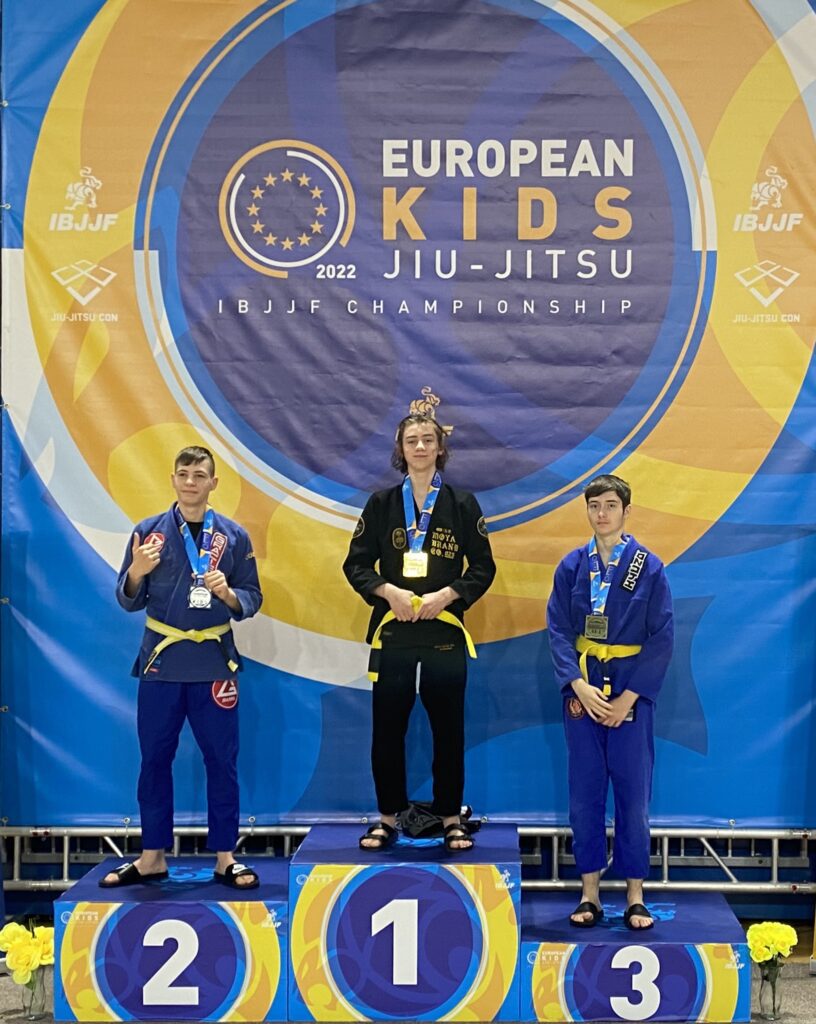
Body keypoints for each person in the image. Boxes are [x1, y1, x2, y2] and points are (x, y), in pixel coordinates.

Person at [100, 445, 263, 889]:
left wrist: (228, 594)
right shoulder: (148, 533)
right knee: (154, 759)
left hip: (213, 663)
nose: (191, 482)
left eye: (200, 475)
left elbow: (252, 597)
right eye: (184, 474)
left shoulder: (233, 536)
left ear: (214, 483)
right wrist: (135, 571)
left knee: (221, 761)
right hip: (161, 663)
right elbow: (127, 597)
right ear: (173, 480)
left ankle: (226, 857)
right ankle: (152, 854)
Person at [344, 413, 496, 852]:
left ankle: (451, 816)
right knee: (386, 729)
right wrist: (386, 591)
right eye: (412, 440)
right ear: (400, 449)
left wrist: (447, 595)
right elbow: (355, 565)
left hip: (443, 632)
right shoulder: (381, 505)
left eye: (428, 440)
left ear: (440, 448)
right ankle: (388, 817)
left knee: (448, 729)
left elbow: (483, 568)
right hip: (393, 632)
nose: (420, 447)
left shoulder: (463, 505)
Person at [547, 474, 673, 929]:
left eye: (610, 506)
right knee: (584, 793)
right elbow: (559, 630)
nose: (602, 514)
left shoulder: (648, 567)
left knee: (632, 793)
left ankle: (635, 894)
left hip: (629, 692)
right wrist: (576, 684)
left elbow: (662, 637)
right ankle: (590, 894)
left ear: (625, 512)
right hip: (583, 690)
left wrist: (630, 698)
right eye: (594, 506)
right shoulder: (572, 567)